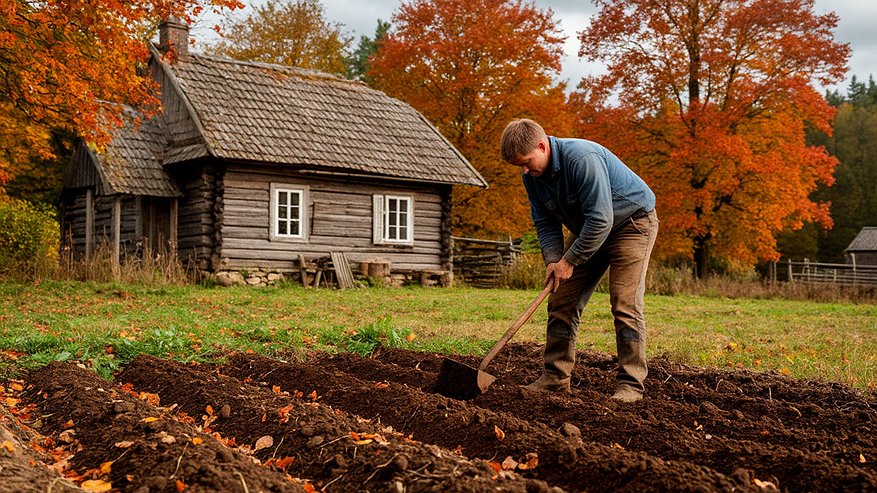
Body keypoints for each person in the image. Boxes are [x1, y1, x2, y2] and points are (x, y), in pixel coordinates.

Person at [500, 119, 658, 402]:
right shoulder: (532, 177)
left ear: (541, 146)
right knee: (561, 300)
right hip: (589, 228)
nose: (524, 170)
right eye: (518, 166)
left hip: (631, 224)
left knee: (624, 303)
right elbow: (545, 221)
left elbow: (601, 219)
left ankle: (631, 384)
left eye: (525, 162)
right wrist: (553, 260)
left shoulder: (581, 158)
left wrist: (569, 260)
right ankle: (555, 378)